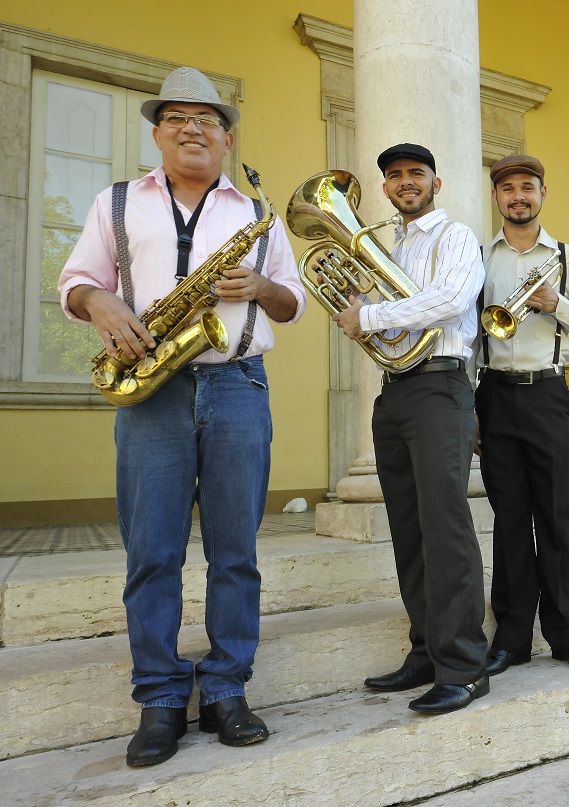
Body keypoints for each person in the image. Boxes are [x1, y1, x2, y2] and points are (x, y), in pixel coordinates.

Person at [57, 66, 305, 766]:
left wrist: (260, 284)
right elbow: (76, 281)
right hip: (150, 391)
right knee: (153, 553)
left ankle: (227, 686)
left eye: (207, 119)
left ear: (226, 138)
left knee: (236, 552)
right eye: (176, 118)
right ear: (158, 132)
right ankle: (161, 696)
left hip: (237, 386)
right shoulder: (114, 203)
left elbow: (292, 302)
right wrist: (100, 303)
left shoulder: (256, 214)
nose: (191, 128)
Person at [334, 143, 489, 715]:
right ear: (386, 188)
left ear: (436, 182)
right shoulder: (386, 246)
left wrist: (369, 315)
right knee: (408, 529)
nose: (405, 183)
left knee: (445, 526)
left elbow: (449, 302)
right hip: (395, 392)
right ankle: (426, 652)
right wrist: (356, 309)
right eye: (395, 176)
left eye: (415, 174)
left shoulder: (455, 238)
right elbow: (382, 325)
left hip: (441, 387)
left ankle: (466, 667)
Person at [477, 154, 569, 677]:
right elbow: (467, 338)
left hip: (548, 393)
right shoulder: (481, 257)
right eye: (508, 189)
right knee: (508, 520)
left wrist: (558, 305)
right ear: (497, 198)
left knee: (555, 516)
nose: (518, 197)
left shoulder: (568, 258)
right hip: (494, 395)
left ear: (542, 193)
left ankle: (564, 632)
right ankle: (511, 636)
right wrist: (471, 410)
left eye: (527, 187)